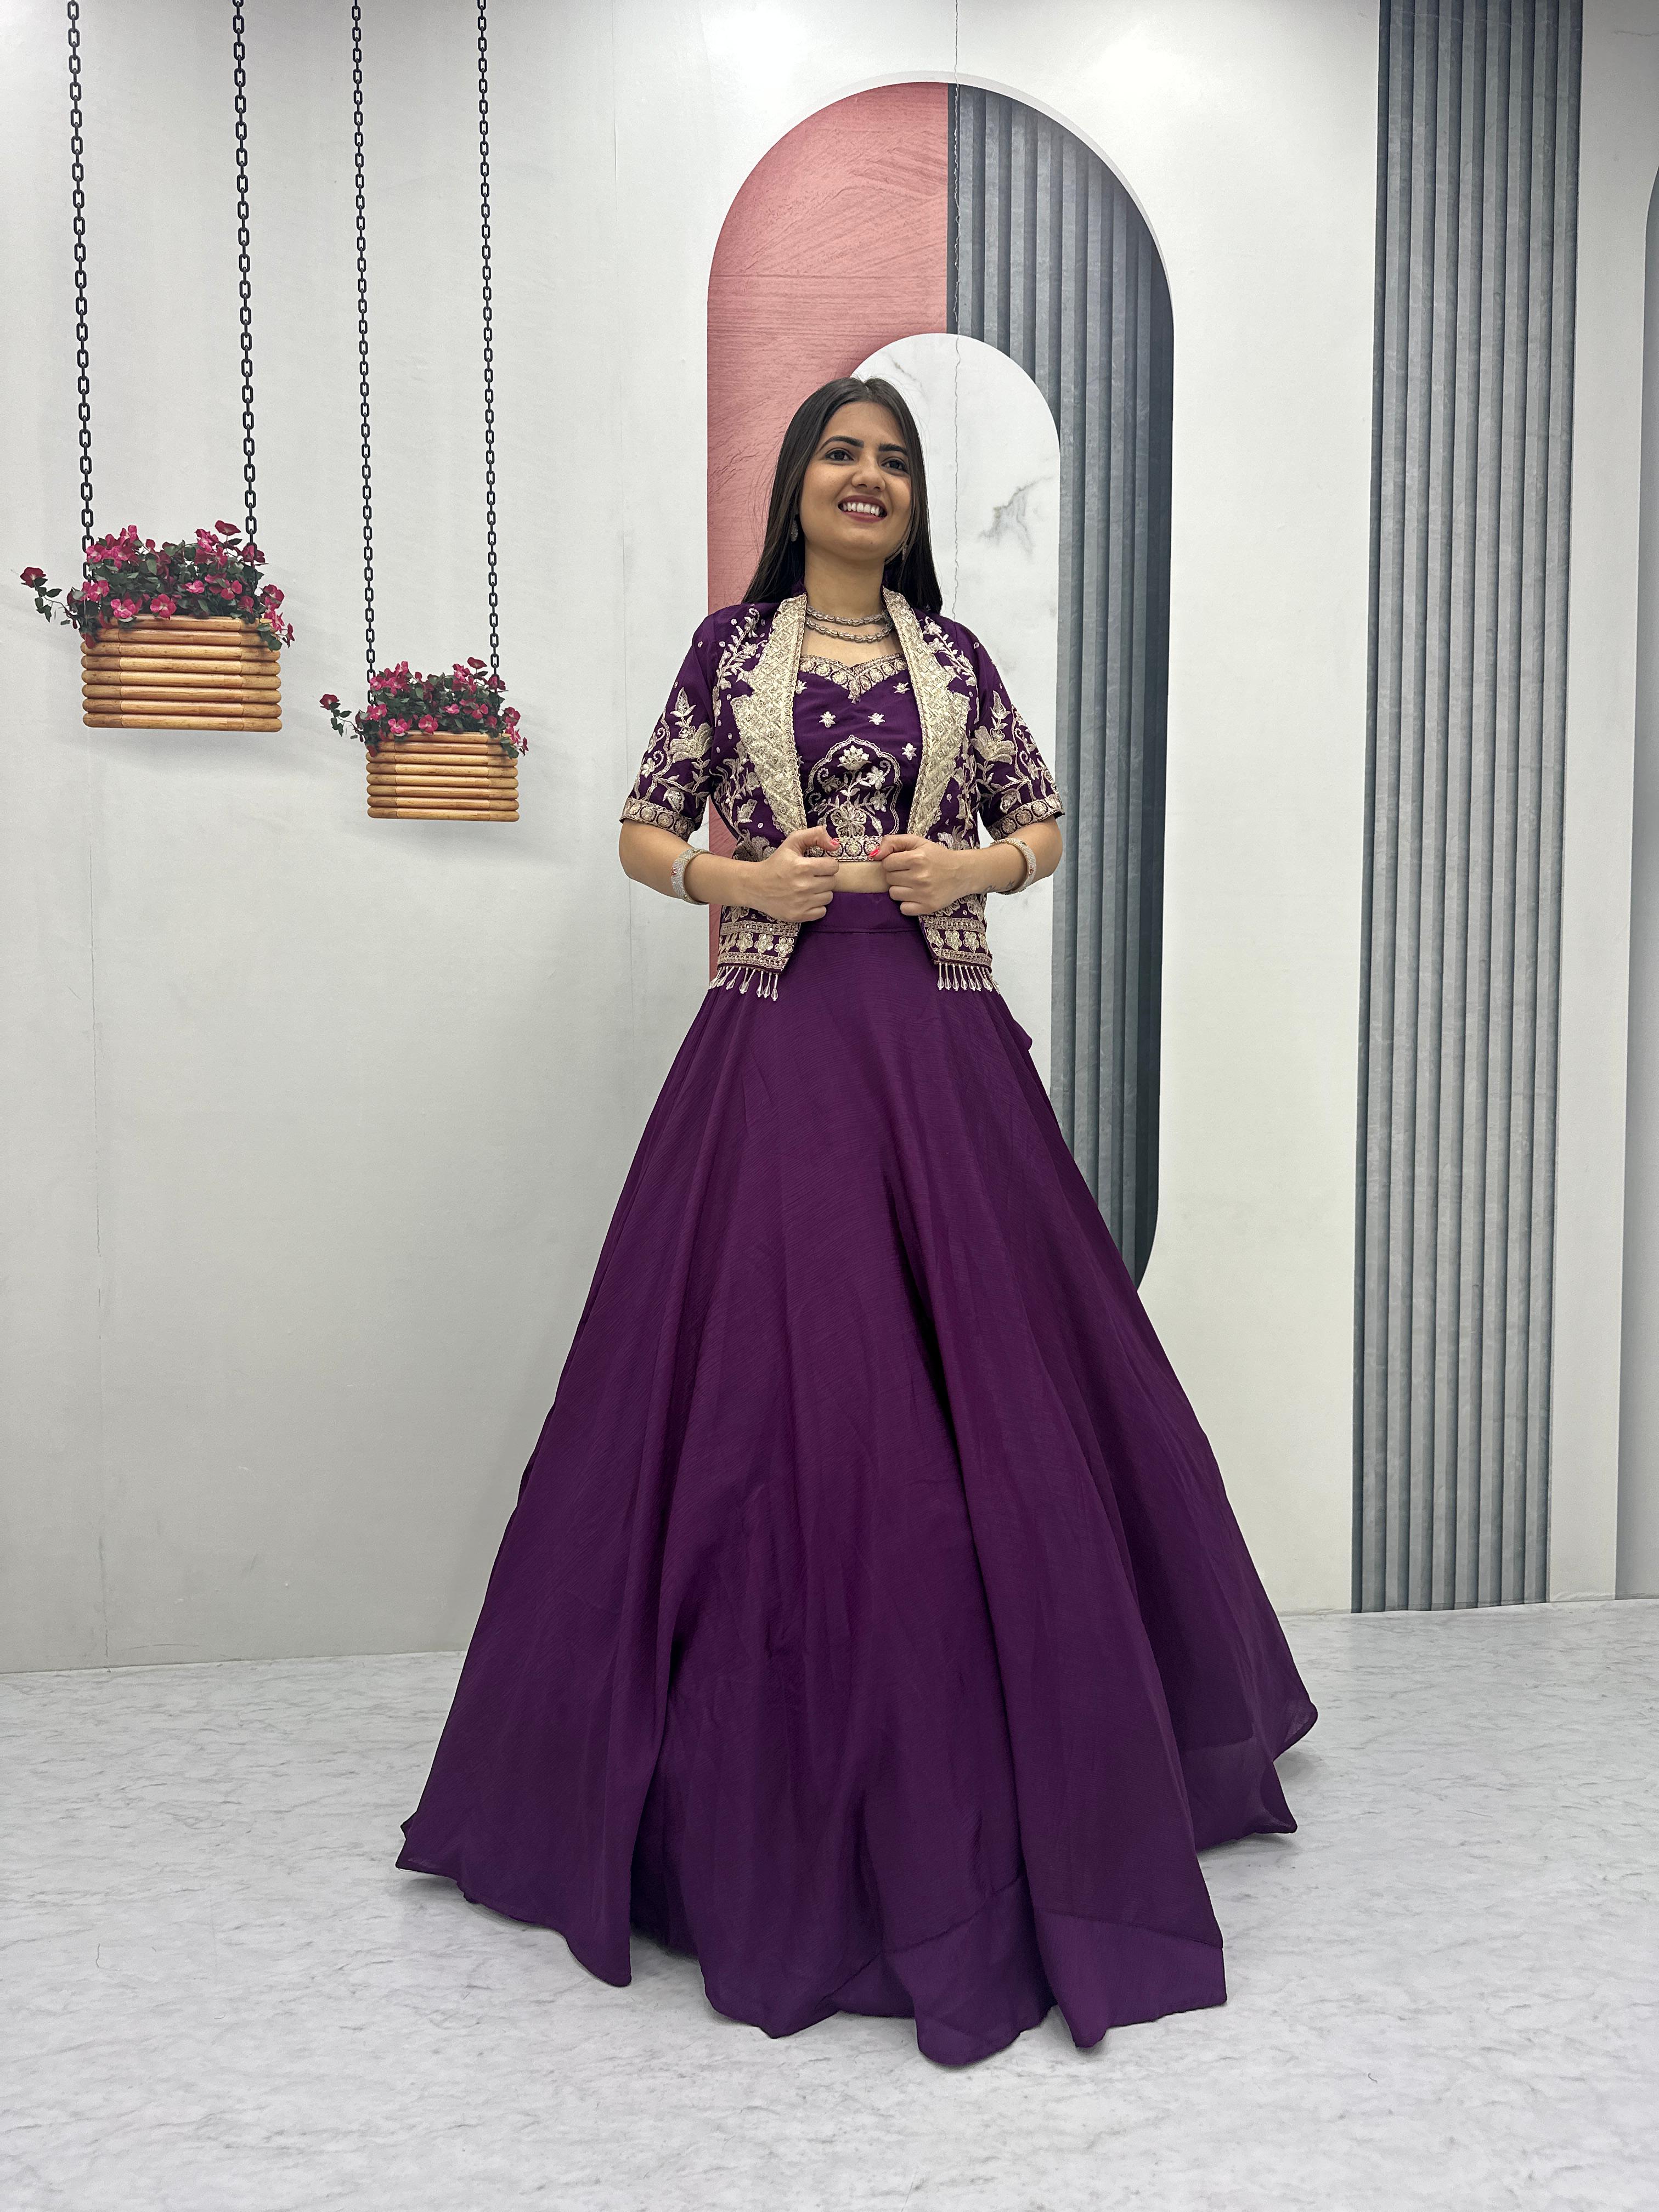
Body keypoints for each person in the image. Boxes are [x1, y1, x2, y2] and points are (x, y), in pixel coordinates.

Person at [397, 375, 1317, 2068]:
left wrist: (979, 872)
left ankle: (1036, 1762)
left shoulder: (952, 662)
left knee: (1002, 1385)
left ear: (913, 501)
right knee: (774, 1381)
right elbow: (643, 826)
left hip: (940, 1049)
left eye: (894, 460)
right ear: (798, 483)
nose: (869, 477)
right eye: (844, 453)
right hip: (778, 1043)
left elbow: (1041, 819)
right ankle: (740, 1798)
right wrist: (739, 883)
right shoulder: (727, 653)